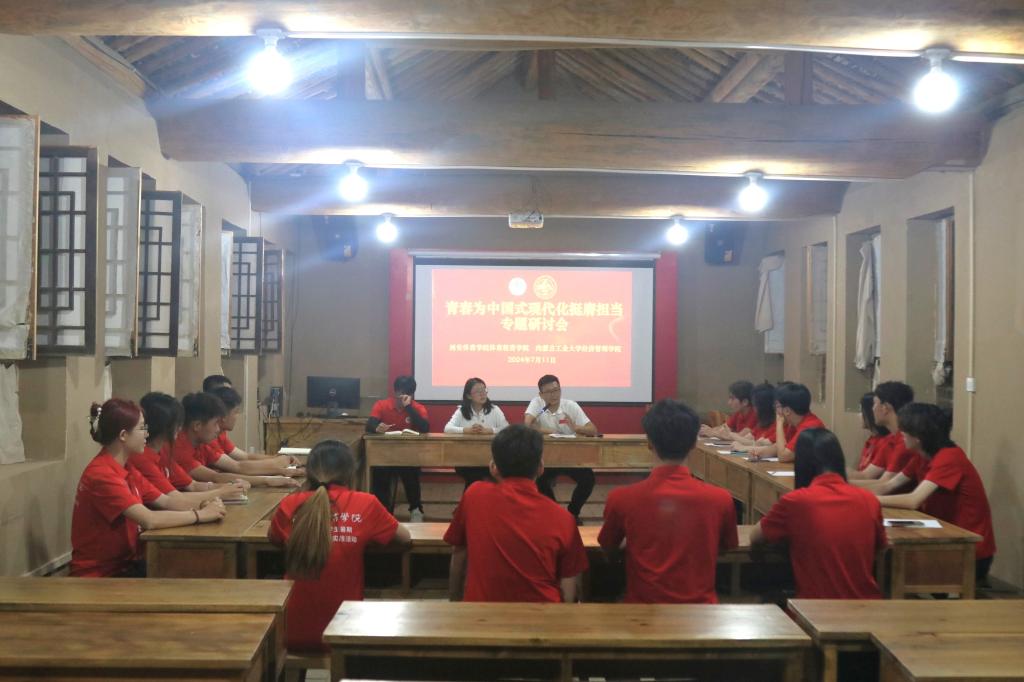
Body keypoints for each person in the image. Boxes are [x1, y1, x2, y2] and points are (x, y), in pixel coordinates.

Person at [269, 440, 411, 652]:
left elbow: (273, 538)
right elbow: (405, 538)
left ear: (309, 472)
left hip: (292, 630)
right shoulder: (365, 503)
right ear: (350, 473)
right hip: (344, 633)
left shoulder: (290, 504)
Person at [599, 399, 738, 603]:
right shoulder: (721, 499)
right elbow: (728, 547)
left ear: (649, 443)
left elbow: (608, 546)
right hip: (701, 611)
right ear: (694, 443)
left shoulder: (621, 498)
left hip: (642, 610)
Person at [70, 399, 226, 577]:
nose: (147, 433)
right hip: (103, 574)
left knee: (198, 569)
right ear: (123, 435)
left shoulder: (127, 467)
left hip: (127, 564)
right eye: (142, 428)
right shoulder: (102, 474)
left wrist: (208, 505)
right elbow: (149, 519)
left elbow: (167, 501)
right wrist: (200, 515)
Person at [444, 424, 588, 602]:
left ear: (493, 467)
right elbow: (569, 582)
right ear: (541, 467)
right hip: (543, 614)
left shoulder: (474, 496)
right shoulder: (564, 519)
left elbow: (458, 553)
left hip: (481, 613)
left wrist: (454, 603)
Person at [751, 428, 886, 599]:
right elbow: (880, 547)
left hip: (814, 604)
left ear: (802, 464)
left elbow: (755, 536)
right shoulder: (869, 500)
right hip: (867, 603)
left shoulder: (796, 501)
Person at [877, 403, 996, 583]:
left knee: (889, 568)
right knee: (884, 557)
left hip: (968, 549)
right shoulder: (922, 456)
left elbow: (913, 500)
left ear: (918, 437)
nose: (901, 435)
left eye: (904, 431)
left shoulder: (950, 457)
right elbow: (888, 486)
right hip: (940, 539)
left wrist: (868, 499)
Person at [128, 392, 248, 503]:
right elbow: (172, 500)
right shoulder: (143, 457)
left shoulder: (163, 450)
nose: (180, 428)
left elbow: (192, 485)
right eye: (141, 428)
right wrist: (221, 493)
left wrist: (230, 487)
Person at [173, 392, 298, 489]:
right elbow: (217, 476)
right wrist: (269, 478)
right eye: (215, 423)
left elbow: (237, 464)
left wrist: (279, 469)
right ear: (197, 426)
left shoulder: (202, 442)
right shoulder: (180, 448)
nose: (218, 428)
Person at [524, 374, 597, 522]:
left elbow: (593, 430)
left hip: (571, 456)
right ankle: (555, 513)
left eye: (556, 390)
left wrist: (576, 427)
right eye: (548, 392)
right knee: (539, 480)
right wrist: (549, 431)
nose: (554, 395)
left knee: (588, 479)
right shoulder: (537, 404)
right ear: (541, 394)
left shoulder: (570, 406)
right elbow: (527, 425)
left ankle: (572, 513)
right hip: (547, 457)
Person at [366, 375, 430, 521]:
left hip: (408, 454)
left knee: (411, 472)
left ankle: (416, 509)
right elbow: (369, 425)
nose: (403, 398)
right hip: (385, 454)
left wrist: (409, 408)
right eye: (401, 394)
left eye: (408, 394)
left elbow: (425, 428)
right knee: (380, 473)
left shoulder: (417, 408)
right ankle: (383, 511)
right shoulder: (382, 405)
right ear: (395, 392)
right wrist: (377, 428)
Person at [207, 385, 302, 472]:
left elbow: (245, 457)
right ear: (223, 415)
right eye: (235, 412)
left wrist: (277, 457)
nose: (237, 416)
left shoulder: (221, 434)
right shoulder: (209, 439)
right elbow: (238, 467)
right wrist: (279, 464)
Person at [444, 377, 509, 489]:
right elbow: (447, 429)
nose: (482, 394)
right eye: (478, 391)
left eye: (484, 390)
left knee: (478, 477)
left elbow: (506, 429)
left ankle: (474, 497)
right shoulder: (461, 411)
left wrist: (489, 430)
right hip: (466, 458)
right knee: (473, 475)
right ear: (469, 396)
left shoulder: (495, 410)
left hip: (490, 458)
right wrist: (467, 430)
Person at [849, 381, 916, 484]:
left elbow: (884, 485)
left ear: (885, 408)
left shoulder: (905, 441)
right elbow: (866, 475)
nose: (872, 409)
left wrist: (836, 482)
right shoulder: (889, 439)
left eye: (875, 404)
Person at [749, 382, 824, 463]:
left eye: (777, 406)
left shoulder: (810, 427)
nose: (776, 411)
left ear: (787, 411)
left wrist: (779, 422)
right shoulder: (794, 424)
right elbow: (779, 446)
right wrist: (759, 453)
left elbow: (783, 456)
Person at [728, 383, 777, 447]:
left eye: (755, 405)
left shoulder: (776, 424)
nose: (754, 409)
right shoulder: (762, 423)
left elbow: (761, 445)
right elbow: (746, 439)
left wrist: (731, 435)